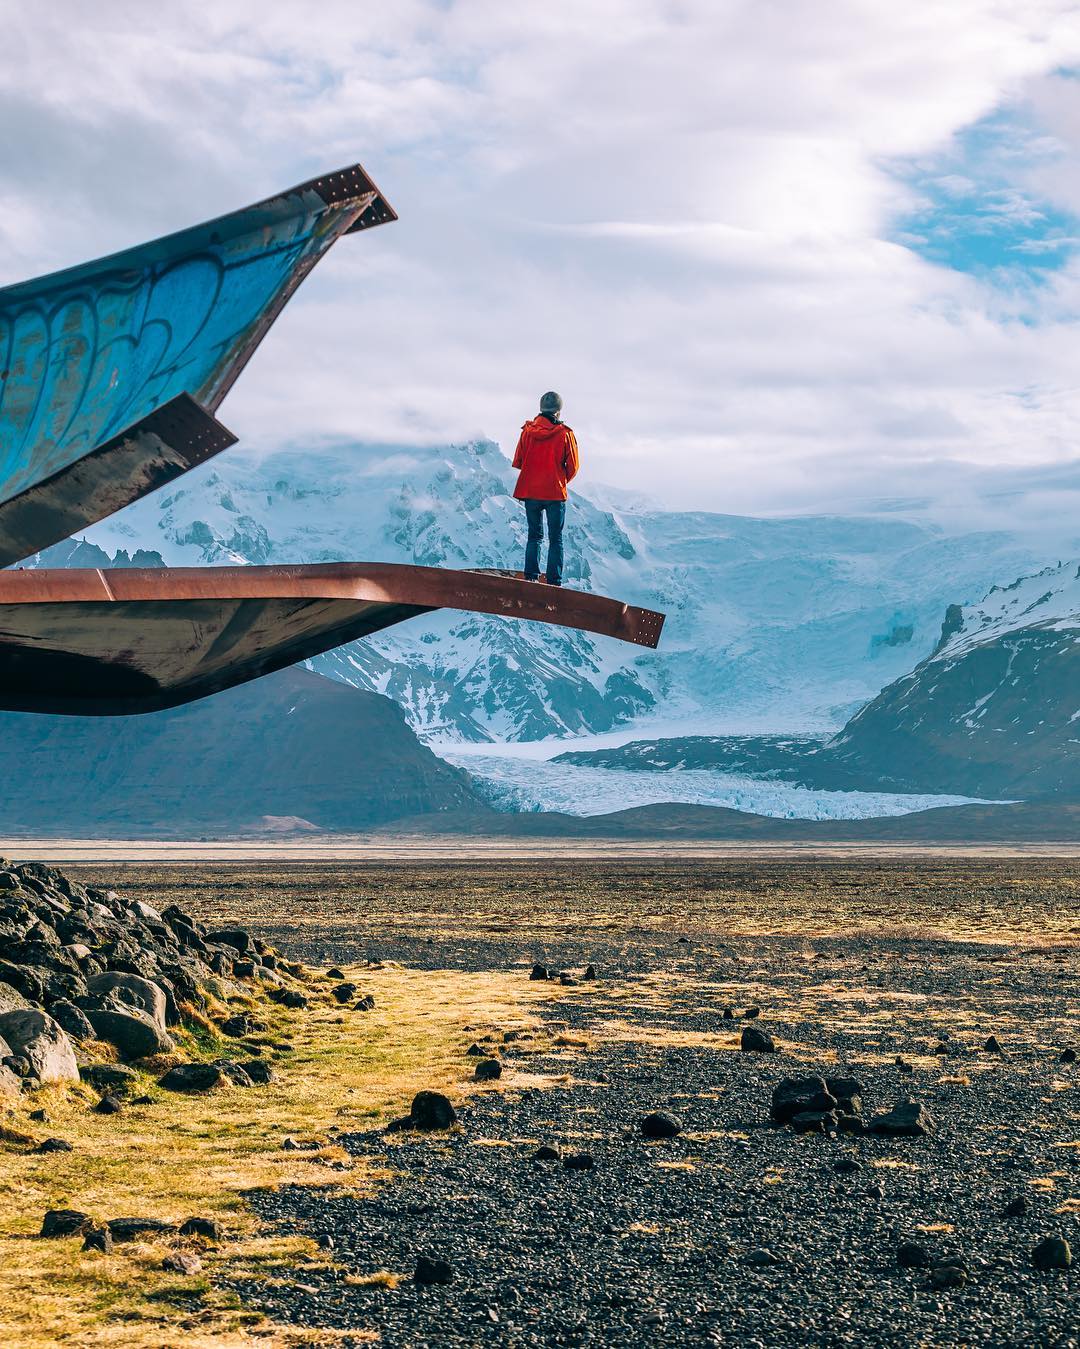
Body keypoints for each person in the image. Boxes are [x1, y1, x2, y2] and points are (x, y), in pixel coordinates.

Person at [512, 391, 580, 586]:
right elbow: (573, 467)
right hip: (554, 493)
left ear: (540, 409)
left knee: (534, 536)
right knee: (555, 539)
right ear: (558, 412)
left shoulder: (527, 432)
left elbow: (519, 461)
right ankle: (553, 581)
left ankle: (531, 576)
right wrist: (559, 479)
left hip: (530, 491)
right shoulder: (565, 434)